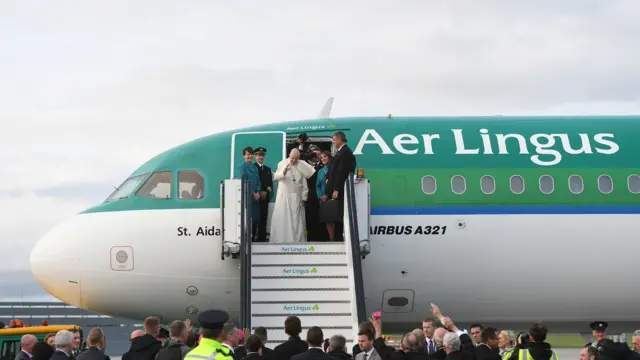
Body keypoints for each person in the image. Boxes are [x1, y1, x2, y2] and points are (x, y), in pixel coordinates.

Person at [270, 148, 315, 243]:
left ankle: (298, 241)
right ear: (289, 155)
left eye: (296, 159)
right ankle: (283, 241)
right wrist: (284, 172)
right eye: (292, 158)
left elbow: (304, 184)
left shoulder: (302, 164)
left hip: (297, 198)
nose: (294, 160)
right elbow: (276, 177)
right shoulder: (282, 163)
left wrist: (303, 197)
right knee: (284, 220)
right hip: (284, 197)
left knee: (298, 222)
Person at [324, 131, 356, 242]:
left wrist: (337, 189)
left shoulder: (345, 152)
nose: (333, 142)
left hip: (340, 190)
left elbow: (342, 172)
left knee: (338, 214)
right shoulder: (340, 152)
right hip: (335, 189)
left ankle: (338, 238)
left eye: (334, 140)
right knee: (335, 214)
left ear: (339, 140)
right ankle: (336, 237)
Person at [235, 146, 261, 236]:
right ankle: (247, 237)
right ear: (244, 155)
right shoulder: (241, 167)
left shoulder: (255, 168)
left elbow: (258, 182)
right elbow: (244, 182)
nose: (249, 156)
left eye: (251, 154)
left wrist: (257, 192)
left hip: (255, 197)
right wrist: (253, 193)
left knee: (256, 219)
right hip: (247, 196)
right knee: (248, 218)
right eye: (247, 154)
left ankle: (254, 237)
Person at [253, 147, 273, 242]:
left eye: (262, 155)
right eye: (258, 155)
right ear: (255, 156)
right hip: (254, 200)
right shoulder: (252, 168)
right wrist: (257, 193)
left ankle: (262, 240)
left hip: (264, 200)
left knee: (263, 221)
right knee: (253, 222)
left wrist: (267, 193)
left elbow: (270, 185)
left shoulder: (268, 169)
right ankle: (251, 240)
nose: (261, 157)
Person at [314, 151, 332, 241]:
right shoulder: (320, 171)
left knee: (334, 220)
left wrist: (328, 195)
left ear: (329, 157)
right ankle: (330, 238)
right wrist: (320, 196)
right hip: (323, 200)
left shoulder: (333, 168)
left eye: (325, 156)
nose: (323, 159)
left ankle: (334, 238)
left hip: (332, 198)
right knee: (327, 220)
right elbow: (317, 186)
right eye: (321, 158)